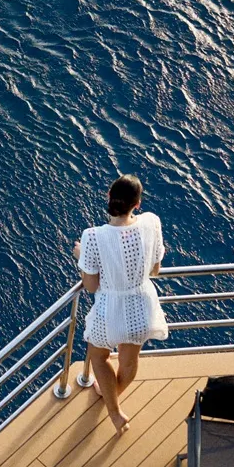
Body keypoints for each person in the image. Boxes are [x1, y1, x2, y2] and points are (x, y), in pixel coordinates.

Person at [73, 174, 170, 436]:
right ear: (137, 204)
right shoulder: (152, 223)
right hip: (141, 308)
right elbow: (156, 270)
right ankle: (112, 394)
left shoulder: (92, 237)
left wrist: (81, 257)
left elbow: (92, 286)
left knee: (99, 356)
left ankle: (114, 411)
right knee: (129, 362)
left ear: (108, 196)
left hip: (110, 311)